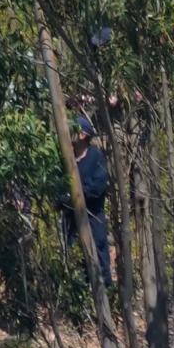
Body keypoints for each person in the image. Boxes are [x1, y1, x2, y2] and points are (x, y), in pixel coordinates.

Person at [61, 115, 112, 288]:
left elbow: (96, 187)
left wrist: (74, 194)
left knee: (99, 261)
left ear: (82, 134)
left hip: (93, 220)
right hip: (71, 224)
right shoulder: (66, 160)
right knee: (75, 265)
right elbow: (59, 190)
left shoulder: (96, 157)